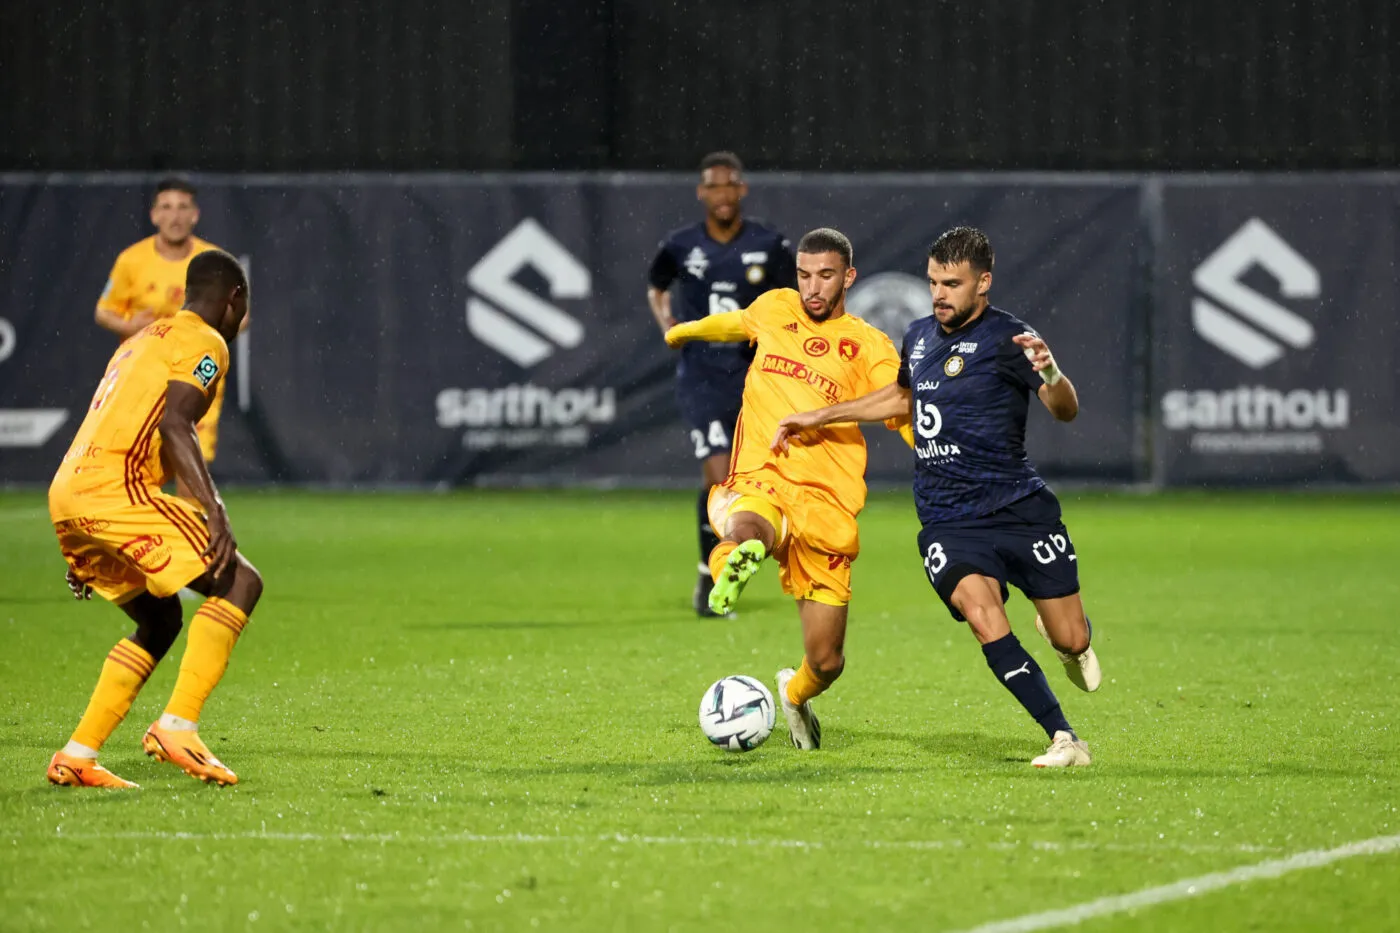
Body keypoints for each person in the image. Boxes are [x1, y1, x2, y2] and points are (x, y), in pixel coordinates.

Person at [772, 226, 1103, 768]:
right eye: (932, 282)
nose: (939, 295)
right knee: (982, 615)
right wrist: (821, 414)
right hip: (949, 518)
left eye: (952, 283)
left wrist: (1051, 371)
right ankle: (1064, 737)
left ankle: (1070, 637)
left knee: (1069, 638)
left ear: (983, 283)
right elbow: (903, 396)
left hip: (1018, 509)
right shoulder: (920, 335)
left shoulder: (1010, 339)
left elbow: (1064, 410)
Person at [665, 228, 909, 749]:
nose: (812, 287)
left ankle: (795, 695)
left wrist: (926, 444)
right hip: (765, 474)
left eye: (825, 275)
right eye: (803, 275)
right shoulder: (776, 306)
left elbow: (899, 400)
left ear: (849, 276)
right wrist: (689, 330)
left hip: (826, 503)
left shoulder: (868, 344)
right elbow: (738, 322)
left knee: (827, 660)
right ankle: (733, 555)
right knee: (751, 518)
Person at [47, 249, 262, 788]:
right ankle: (178, 726)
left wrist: (85, 530)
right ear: (233, 299)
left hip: (71, 491)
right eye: (243, 307)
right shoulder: (204, 342)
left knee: (161, 619)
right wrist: (215, 511)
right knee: (239, 582)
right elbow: (176, 424)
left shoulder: (140, 340)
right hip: (114, 490)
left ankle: (77, 755)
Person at [647, 152, 796, 617]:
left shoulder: (770, 245)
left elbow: (793, 299)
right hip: (702, 378)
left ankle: (722, 566)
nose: (722, 194)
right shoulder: (680, 244)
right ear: (701, 193)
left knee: (757, 480)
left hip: (755, 379)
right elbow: (656, 284)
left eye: (729, 185)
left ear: (742, 190)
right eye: (713, 186)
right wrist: (666, 321)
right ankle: (714, 574)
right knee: (720, 478)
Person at [95, 178, 239, 500]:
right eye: (167, 207)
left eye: (182, 207)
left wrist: (200, 332)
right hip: (143, 383)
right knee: (134, 481)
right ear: (154, 215)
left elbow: (239, 319)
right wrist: (135, 326)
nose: (175, 216)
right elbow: (103, 312)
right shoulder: (131, 260)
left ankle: (194, 547)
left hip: (193, 381)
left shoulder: (213, 262)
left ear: (195, 214)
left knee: (191, 479)